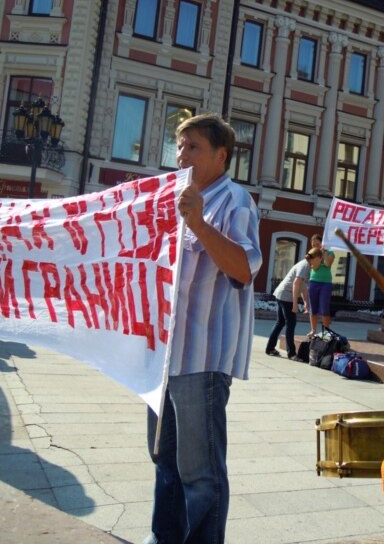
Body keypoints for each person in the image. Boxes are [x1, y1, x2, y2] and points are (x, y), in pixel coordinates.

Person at [144, 114, 262, 544]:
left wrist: (198, 224)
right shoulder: (173, 200)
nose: (181, 155)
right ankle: (164, 537)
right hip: (163, 357)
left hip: (203, 358)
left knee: (201, 474)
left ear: (220, 155)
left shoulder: (235, 201)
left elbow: (244, 268)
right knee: (164, 460)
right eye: (179, 146)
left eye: (193, 146)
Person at [264, 252, 311, 359]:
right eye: (321, 259)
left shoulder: (306, 265)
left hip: (281, 293)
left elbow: (303, 286)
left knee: (280, 322)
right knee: (291, 323)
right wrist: (295, 303)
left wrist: (305, 302)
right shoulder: (305, 266)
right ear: (317, 258)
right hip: (286, 295)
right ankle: (292, 354)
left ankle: (270, 348)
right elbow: (296, 284)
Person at [307, 233, 334, 337]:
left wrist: (324, 253)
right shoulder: (311, 253)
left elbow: (327, 264)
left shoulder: (330, 252)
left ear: (322, 243)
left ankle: (326, 332)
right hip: (313, 281)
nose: (315, 246)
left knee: (324, 308)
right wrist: (315, 257)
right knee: (313, 307)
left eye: (317, 244)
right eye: (313, 245)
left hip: (325, 283)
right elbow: (313, 266)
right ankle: (313, 330)